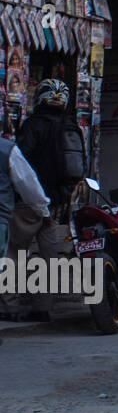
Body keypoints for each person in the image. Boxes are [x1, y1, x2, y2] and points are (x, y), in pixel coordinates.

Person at [12, 79, 84, 321]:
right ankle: (43, 308)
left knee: (14, 251)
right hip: (57, 202)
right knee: (50, 255)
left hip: (30, 200)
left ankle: (8, 307)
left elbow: (20, 162)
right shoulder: (70, 126)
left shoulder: (34, 125)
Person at [0, 136, 52, 320]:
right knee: (7, 260)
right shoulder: (6, 149)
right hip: (4, 216)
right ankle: (11, 308)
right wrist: (43, 210)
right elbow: (28, 183)